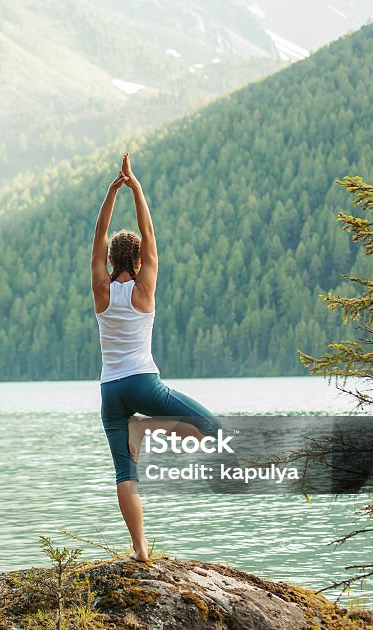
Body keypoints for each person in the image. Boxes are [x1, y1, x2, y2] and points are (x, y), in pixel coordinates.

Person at [91, 153, 223, 562]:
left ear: (112, 261)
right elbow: (149, 234)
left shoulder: (101, 289)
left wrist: (112, 192)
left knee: (125, 474)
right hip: (143, 384)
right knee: (212, 428)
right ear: (141, 260)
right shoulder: (144, 287)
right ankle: (148, 426)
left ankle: (140, 549)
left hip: (111, 391)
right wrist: (138, 189)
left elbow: (98, 237)